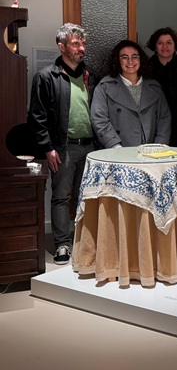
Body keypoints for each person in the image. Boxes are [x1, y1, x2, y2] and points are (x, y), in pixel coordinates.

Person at [27, 23, 98, 265]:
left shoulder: (91, 76)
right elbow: (37, 116)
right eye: (75, 44)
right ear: (61, 47)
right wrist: (48, 148)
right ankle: (62, 245)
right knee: (61, 197)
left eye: (83, 44)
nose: (81, 48)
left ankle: (84, 242)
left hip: (91, 147)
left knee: (87, 196)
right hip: (63, 148)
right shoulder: (46, 76)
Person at [91, 39, 171, 148]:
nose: (130, 61)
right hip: (117, 151)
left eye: (134, 57)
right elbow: (99, 119)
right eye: (124, 57)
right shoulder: (105, 87)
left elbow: (164, 119)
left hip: (151, 152)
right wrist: (115, 146)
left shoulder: (154, 88)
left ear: (140, 59)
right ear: (117, 60)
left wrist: (160, 145)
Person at [146, 27, 177, 102]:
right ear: (155, 47)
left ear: (175, 46)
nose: (164, 46)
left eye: (169, 42)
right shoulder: (147, 66)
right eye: (160, 43)